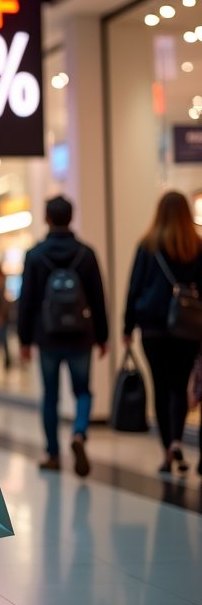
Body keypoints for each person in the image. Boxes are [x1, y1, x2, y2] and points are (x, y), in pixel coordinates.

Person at [17, 195, 108, 477]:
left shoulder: (35, 255)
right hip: (81, 336)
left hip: (48, 337)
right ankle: (79, 433)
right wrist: (102, 336)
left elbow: (27, 301)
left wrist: (24, 339)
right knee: (83, 391)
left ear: (47, 218)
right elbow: (97, 298)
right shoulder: (86, 253)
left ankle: (53, 454)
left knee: (50, 397)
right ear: (71, 217)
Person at [122, 190, 202, 475]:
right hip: (188, 327)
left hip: (153, 328)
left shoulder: (148, 245)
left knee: (160, 386)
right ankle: (179, 440)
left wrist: (127, 326)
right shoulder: (196, 245)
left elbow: (134, 288)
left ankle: (168, 450)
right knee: (179, 386)